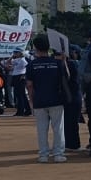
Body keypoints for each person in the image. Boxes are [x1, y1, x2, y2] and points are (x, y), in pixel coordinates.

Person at [25, 33, 70, 162]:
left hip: (39, 99)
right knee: (58, 128)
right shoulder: (57, 63)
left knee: (41, 128)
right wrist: (64, 60)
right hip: (56, 99)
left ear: (35, 47)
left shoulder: (32, 65)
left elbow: (29, 85)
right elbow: (67, 77)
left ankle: (43, 154)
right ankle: (58, 154)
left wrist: (31, 101)